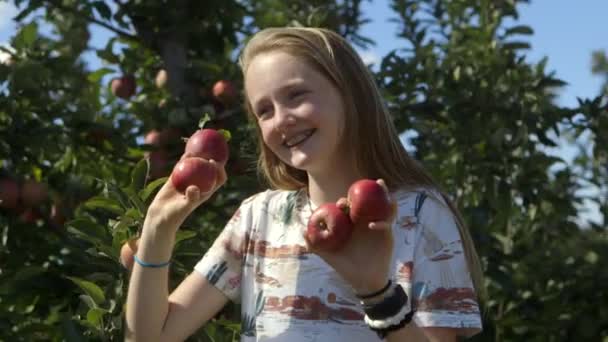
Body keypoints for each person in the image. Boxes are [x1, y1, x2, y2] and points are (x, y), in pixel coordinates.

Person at [125, 27, 484, 341]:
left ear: (349, 93)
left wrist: (377, 293)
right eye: (264, 110)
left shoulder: (419, 213)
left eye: (296, 95)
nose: (281, 120)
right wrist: (159, 226)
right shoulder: (258, 219)